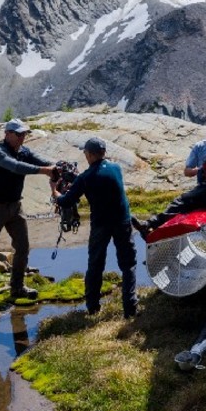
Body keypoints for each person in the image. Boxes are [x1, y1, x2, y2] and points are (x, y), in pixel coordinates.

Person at [0, 119, 56, 312]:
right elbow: (15, 167)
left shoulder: (24, 151)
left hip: (15, 206)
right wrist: (44, 171)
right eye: (18, 134)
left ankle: (17, 287)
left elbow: (41, 161)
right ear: (7, 133)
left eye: (24, 134)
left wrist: (56, 167)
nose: (22, 137)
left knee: (23, 247)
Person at [55, 136, 137, 318]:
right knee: (128, 264)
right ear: (104, 152)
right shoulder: (116, 168)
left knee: (95, 265)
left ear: (90, 155)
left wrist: (55, 191)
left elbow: (66, 200)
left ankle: (93, 308)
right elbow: (102, 177)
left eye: (85, 153)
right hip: (122, 221)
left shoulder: (85, 178)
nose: (85, 156)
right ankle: (130, 310)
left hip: (101, 225)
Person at [132, 123, 206, 235]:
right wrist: (200, 170)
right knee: (181, 205)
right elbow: (187, 172)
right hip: (203, 190)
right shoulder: (200, 147)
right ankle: (152, 228)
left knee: (183, 200)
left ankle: (151, 224)